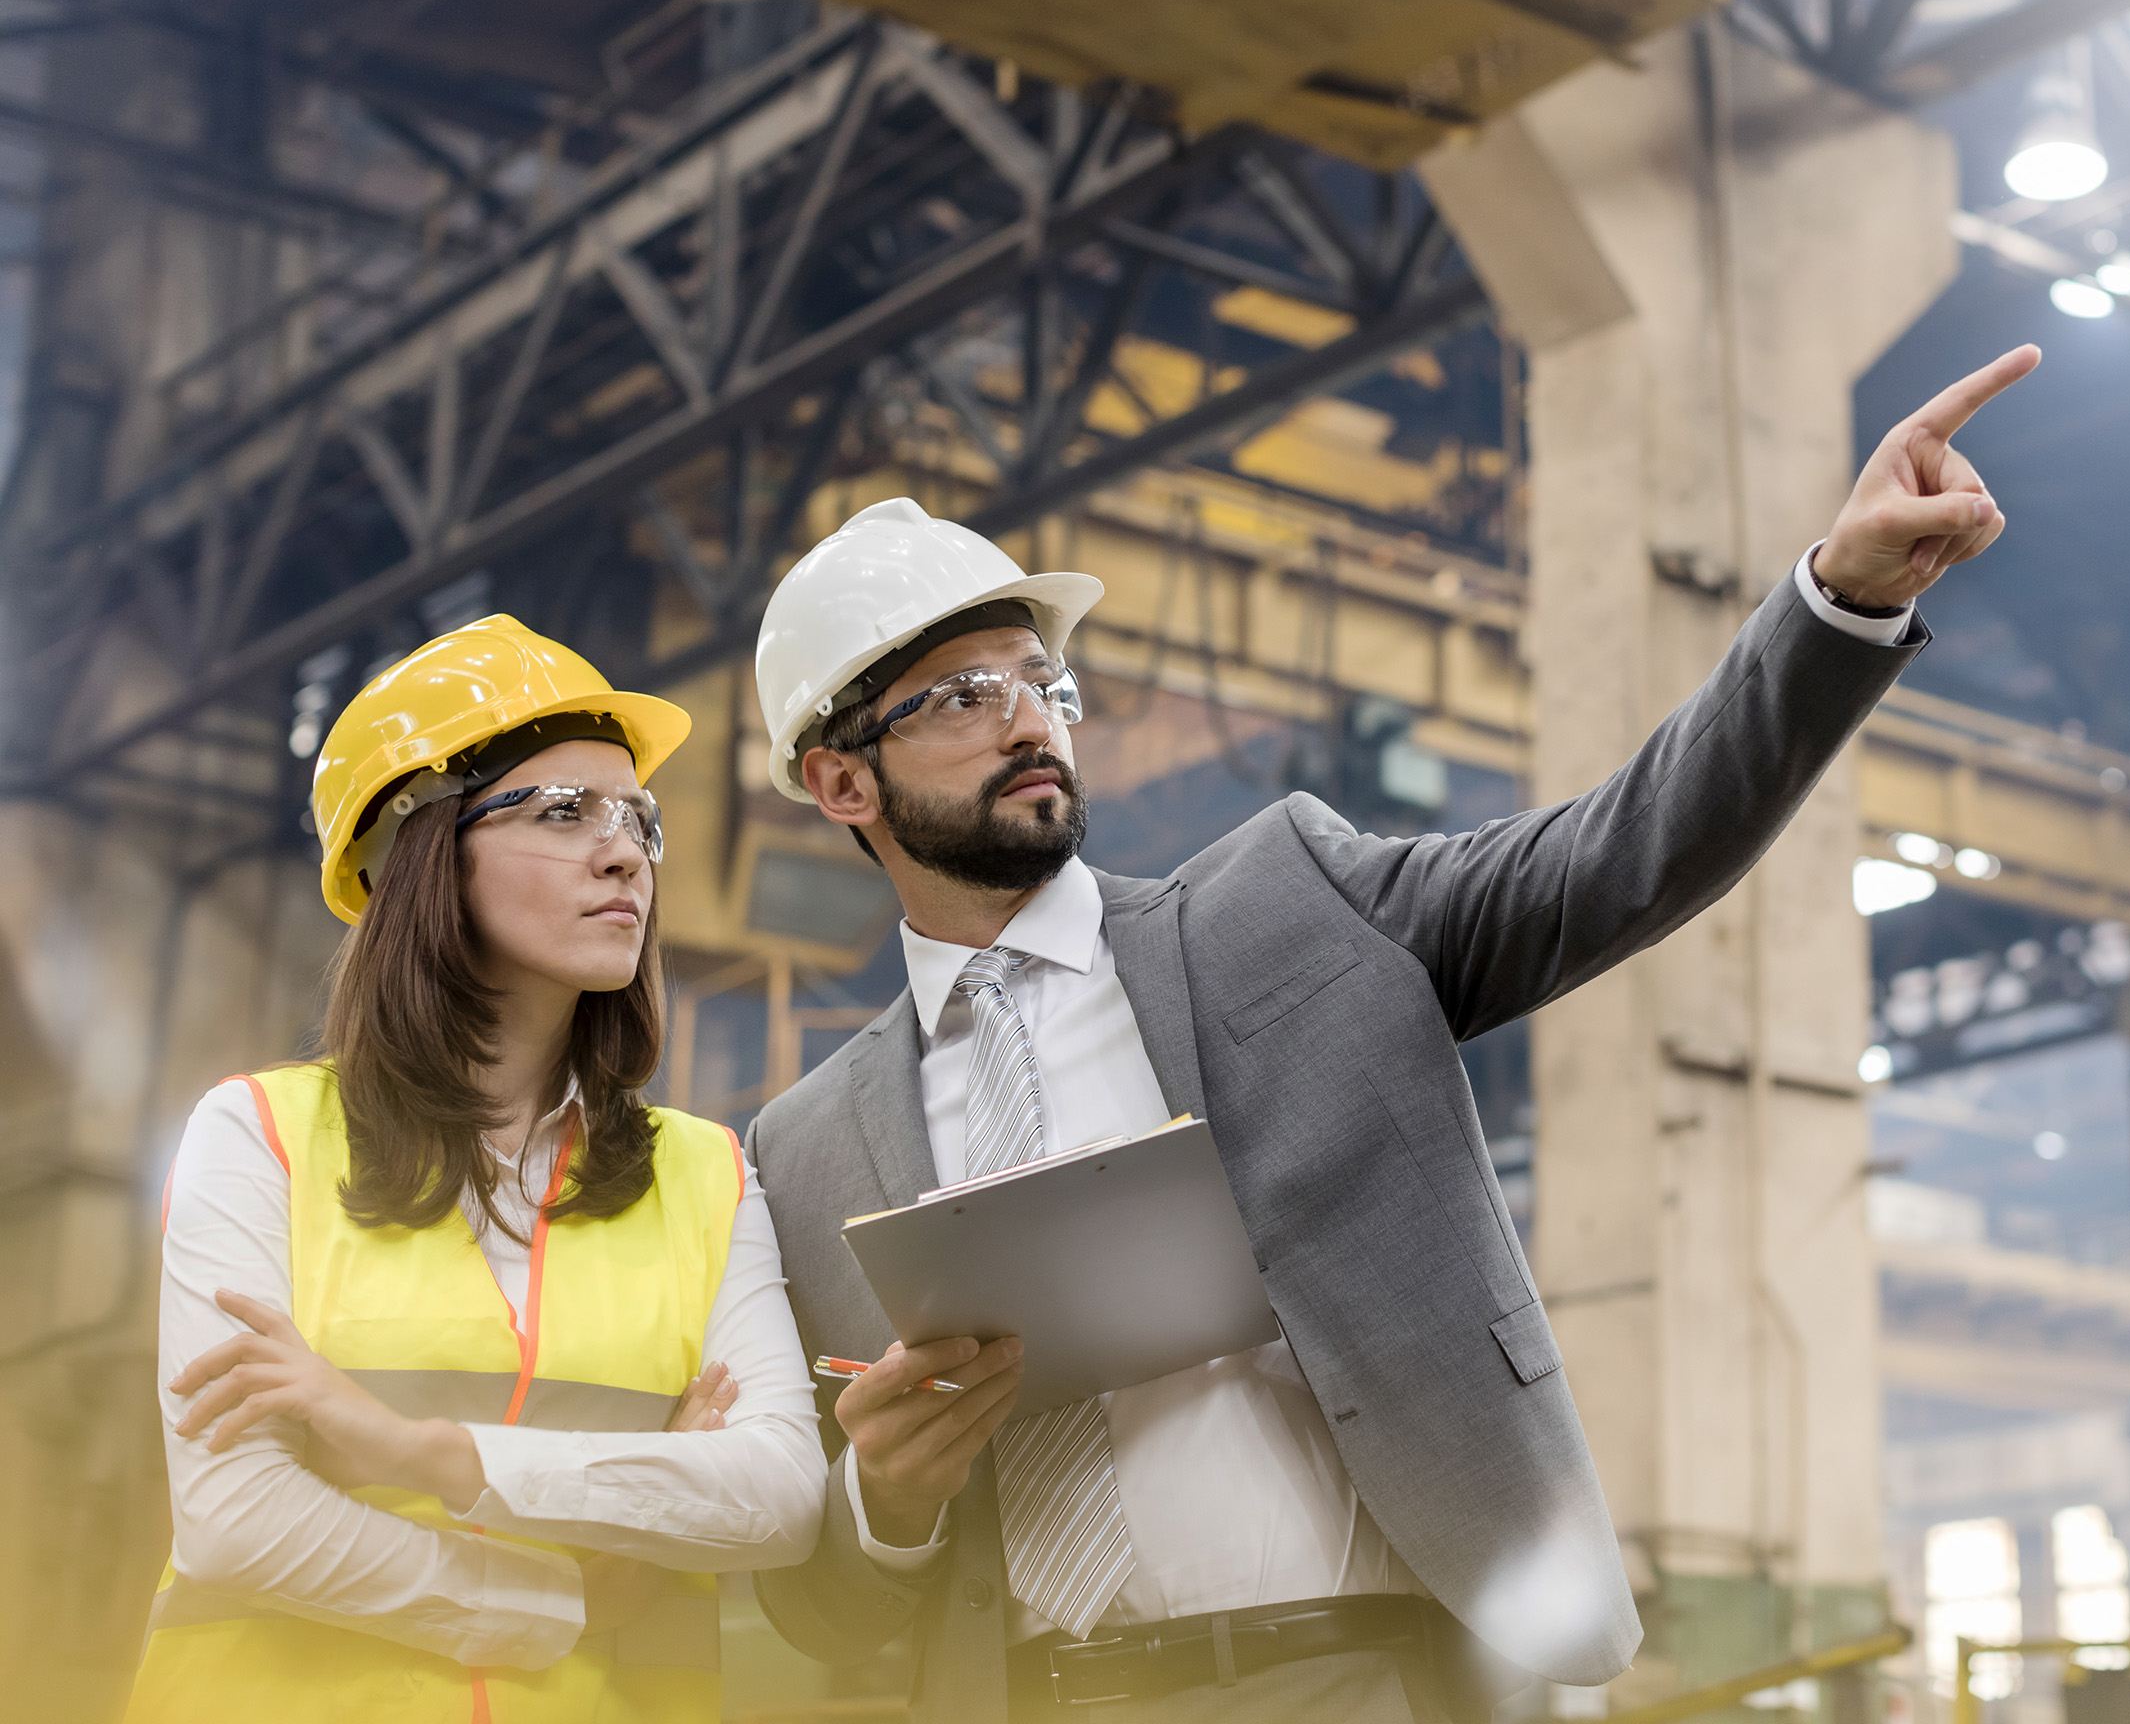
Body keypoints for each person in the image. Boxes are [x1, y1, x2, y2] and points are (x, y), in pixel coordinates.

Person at [745, 346, 2035, 1721]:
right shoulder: (807, 1152)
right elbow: (814, 1605)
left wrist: (1837, 598)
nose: (1027, 720)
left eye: (1039, 681)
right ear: (839, 781)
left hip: (1370, 1679)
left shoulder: (1286, 907)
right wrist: (883, 1502)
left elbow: (1622, 854)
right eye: (959, 696)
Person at [126, 615, 827, 1723]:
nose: (625, 851)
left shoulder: (709, 1176)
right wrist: (570, 1594)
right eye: (563, 812)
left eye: (636, 819)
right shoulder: (257, 1135)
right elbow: (238, 1514)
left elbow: (782, 1497)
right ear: (423, 851)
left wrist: (426, 1455)